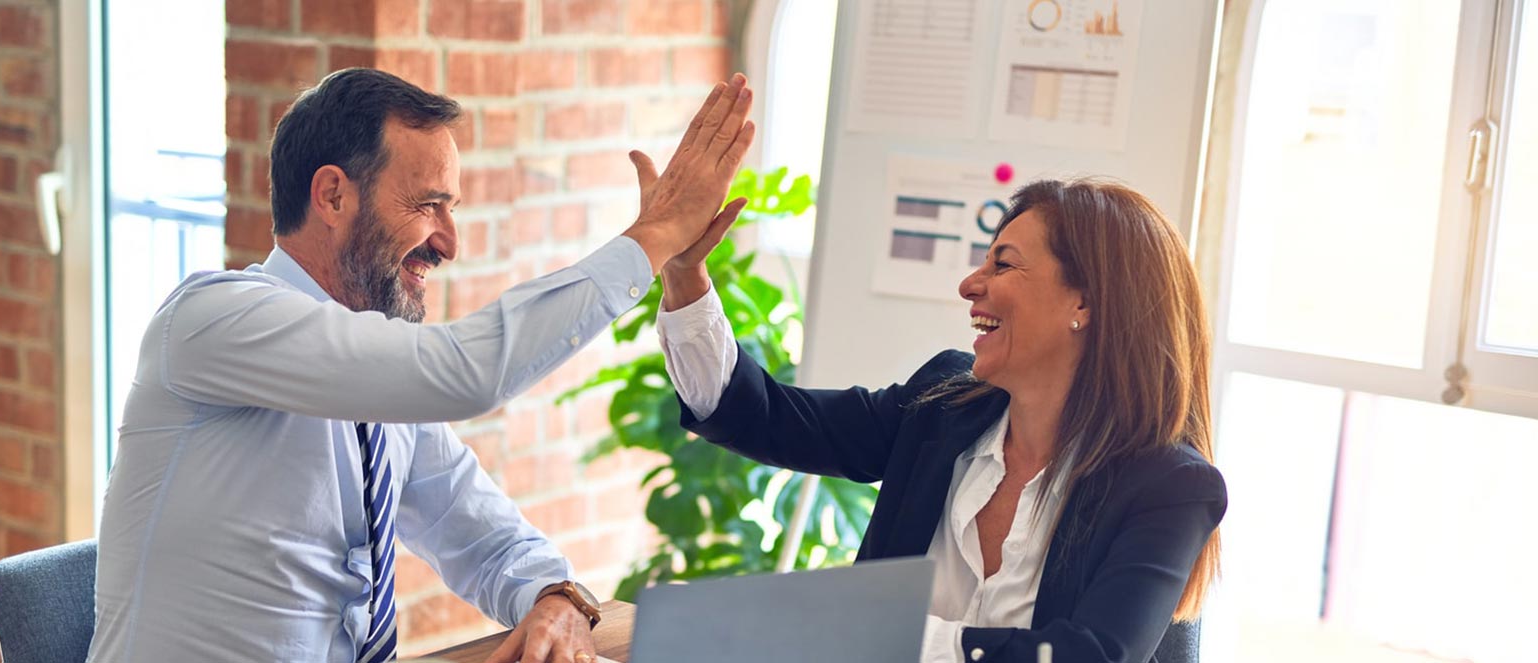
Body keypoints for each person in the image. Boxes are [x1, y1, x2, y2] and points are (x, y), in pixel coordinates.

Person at [89, 67, 755, 663]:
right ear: (332, 196)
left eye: (451, 207)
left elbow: (485, 537)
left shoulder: (377, 388)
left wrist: (556, 595)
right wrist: (656, 235)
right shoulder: (215, 320)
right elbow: (465, 371)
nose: (449, 241)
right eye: (427, 204)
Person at [656, 179, 1227, 662]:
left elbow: (1090, 655)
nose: (970, 285)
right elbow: (765, 417)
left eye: (1003, 264)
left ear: (1085, 304)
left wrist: (883, 635)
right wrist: (684, 274)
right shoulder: (944, 405)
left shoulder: (1171, 487)